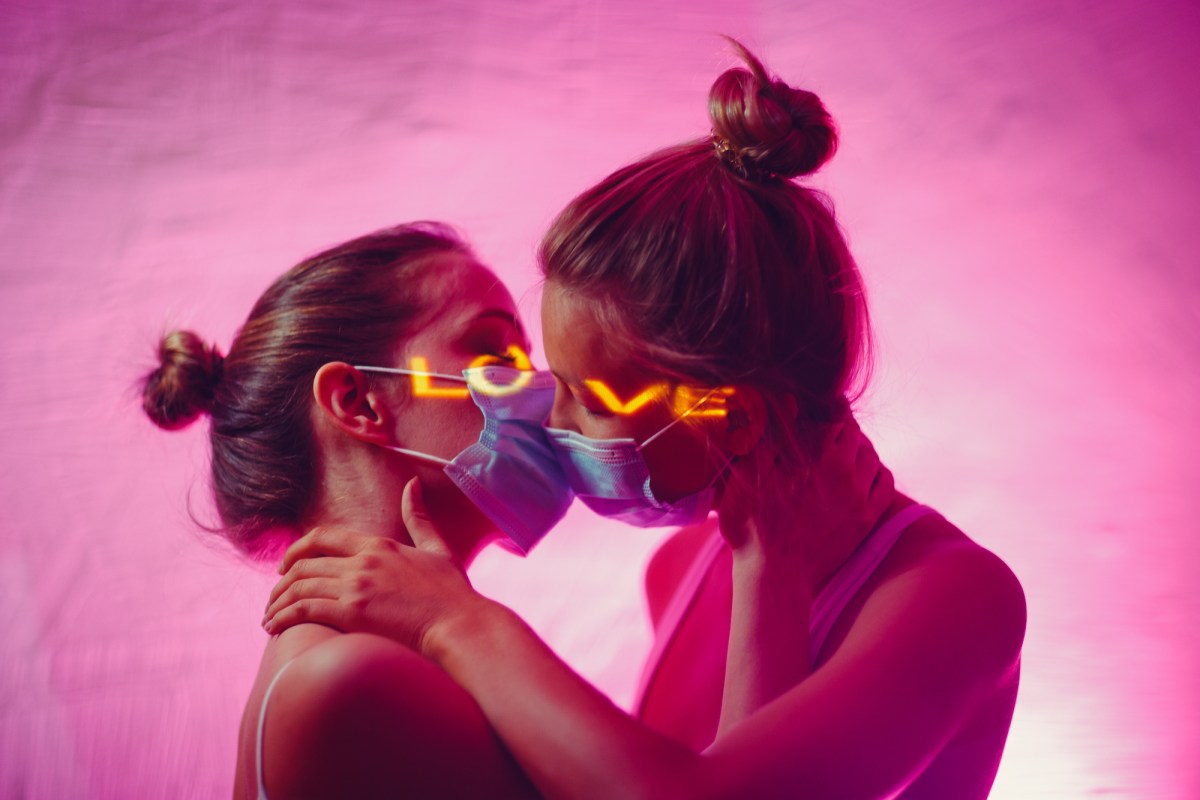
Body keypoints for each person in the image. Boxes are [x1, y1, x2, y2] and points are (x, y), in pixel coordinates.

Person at [265, 42, 1027, 799]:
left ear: (731, 418)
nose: (546, 415)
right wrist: (767, 570)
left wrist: (458, 623)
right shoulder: (685, 567)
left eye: (586, 398)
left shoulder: (958, 599)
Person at [144, 222, 888, 798]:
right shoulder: (351, 681)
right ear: (358, 401)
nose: (543, 392)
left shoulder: (402, 654)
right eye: (496, 355)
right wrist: (776, 561)